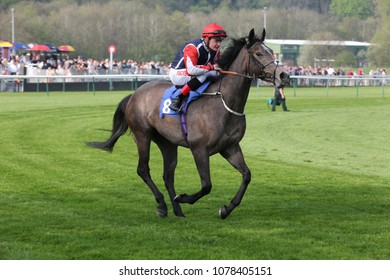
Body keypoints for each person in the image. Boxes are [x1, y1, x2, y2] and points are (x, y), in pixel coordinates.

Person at [168, 23, 227, 112]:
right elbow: (191, 70)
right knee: (207, 73)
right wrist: (211, 67)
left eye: (220, 41)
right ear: (207, 38)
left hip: (194, 72)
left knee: (214, 73)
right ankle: (178, 99)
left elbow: (217, 67)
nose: (218, 44)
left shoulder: (215, 50)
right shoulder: (193, 47)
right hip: (178, 73)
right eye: (216, 41)